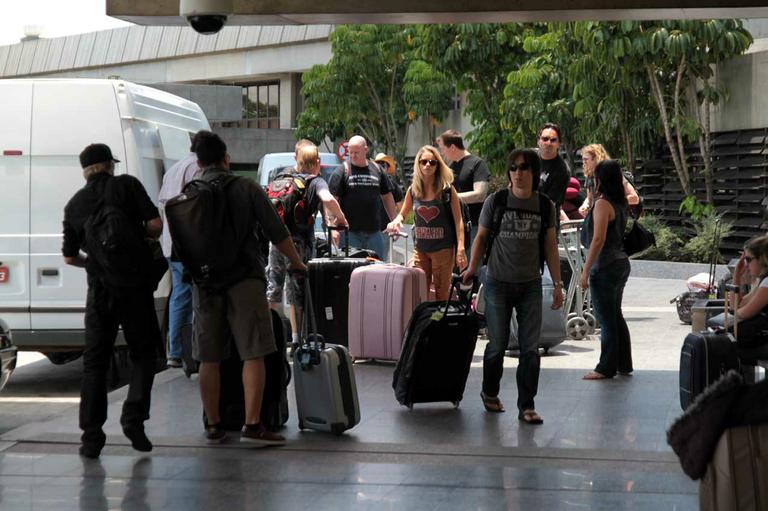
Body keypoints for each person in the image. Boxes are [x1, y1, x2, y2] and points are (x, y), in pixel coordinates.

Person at [190, 131, 307, 445]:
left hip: (205, 282)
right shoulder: (246, 188)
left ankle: (214, 425)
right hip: (245, 279)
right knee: (254, 351)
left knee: (209, 357)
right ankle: (252, 426)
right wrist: (297, 262)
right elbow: (277, 231)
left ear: (198, 162)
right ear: (226, 158)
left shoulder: (190, 192)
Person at [62, 143, 164, 458]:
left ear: (85, 171)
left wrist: (94, 262)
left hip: (100, 292)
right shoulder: (127, 186)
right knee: (144, 354)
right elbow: (156, 226)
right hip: (134, 287)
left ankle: (91, 438)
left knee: (95, 362)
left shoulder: (75, 204)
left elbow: (69, 258)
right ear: (109, 165)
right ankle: (134, 418)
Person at [462, 148, 564, 425]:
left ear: (533, 172)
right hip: (497, 282)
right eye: (514, 168)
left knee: (530, 349)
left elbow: (550, 246)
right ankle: (490, 391)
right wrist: (472, 268)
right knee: (497, 344)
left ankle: (527, 406)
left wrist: (557, 284)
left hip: (530, 284)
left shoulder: (545, 205)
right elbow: (481, 238)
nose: (518, 173)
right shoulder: (496, 201)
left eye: (524, 168)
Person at [266, 143, 348, 346]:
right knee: (297, 291)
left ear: (297, 160)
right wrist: (342, 219)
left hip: (276, 241)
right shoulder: (316, 181)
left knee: (273, 287)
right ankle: (296, 339)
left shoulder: (281, 177)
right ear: (317, 162)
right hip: (298, 244)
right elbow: (327, 199)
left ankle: (268, 338)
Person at [386, 145, 467, 300]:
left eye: (432, 162)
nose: (428, 165)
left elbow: (459, 222)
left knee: (441, 293)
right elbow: (402, 214)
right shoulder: (413, 190)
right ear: (418, 164)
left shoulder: (447, 190)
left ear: (438, 165)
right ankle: (424, 321)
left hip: (443, 250)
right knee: (418, 291)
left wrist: (461, 249)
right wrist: (396, 222)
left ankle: (438, 323)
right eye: (423, 162)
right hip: (421, 249)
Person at [579, 159, 632, 380]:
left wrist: (585, 270)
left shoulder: (603, 204)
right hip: (620, 263)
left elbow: (598, 239)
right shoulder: (620, 203)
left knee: (606, 319)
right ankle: (624, 363)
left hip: (605, 266)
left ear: (600, 179)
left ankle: (606, 367)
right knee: (615, 315)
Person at [157, 136, 202, 368]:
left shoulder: (173, 169)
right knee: (195, 296)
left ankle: (174, 351)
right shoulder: (196, 168)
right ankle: (190, 350)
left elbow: (162, 206)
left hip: (170, 244)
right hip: (187, 245)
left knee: (179, 295)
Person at [328, 135, 397, 259]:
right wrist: (332, 228)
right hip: (349, 234)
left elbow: (387, 197)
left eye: (357, 152)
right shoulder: (342, 171)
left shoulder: (377, 170)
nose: (353, 156)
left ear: (366, 150)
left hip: (374, 234)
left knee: (377, 270)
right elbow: (331, 202)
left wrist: (394, 221)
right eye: (351, 152)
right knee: (351, 271)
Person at [436, 129, 490, 249]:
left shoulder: (478, 164)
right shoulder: (450, 167)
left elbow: (480, 195)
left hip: (474, 225)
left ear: (453, 147)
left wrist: (451, 197)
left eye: (443, 148)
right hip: (454, 226)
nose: (442, 153)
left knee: (473, 265)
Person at [729, 235, 768, 363]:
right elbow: (737, 305)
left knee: (725, 348)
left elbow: (742, 312)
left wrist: (735, 312)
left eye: (748, 259)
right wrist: (737, 276)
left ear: (761, 259)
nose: (746, 265)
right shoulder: (764, 282)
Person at [578, 144, 639, 217]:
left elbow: (634, 198)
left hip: (616, 220)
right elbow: (589, 198)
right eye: (582, 159)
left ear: (596, 158)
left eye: (586, 159)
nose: (583, 162)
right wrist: (585, 205)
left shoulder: (613, 174)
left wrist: (608, 202)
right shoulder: (590, 176)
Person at [374, 152, 405, 261]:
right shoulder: (371, 180)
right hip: (370, 229)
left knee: (380, 260)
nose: (381, 166)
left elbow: (401, 206)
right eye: (378, 163)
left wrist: (396, 224)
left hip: (385, 229)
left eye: (383, 164)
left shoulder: (391, 184)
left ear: (388, 168)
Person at [537, 122, 571, 215]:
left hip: (546, 222)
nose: (548, 143)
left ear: (558, 144)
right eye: (545, 139)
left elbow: (549, 203)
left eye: (553, 140)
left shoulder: (562, 170)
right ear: (538, 141)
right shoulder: (529, 159)